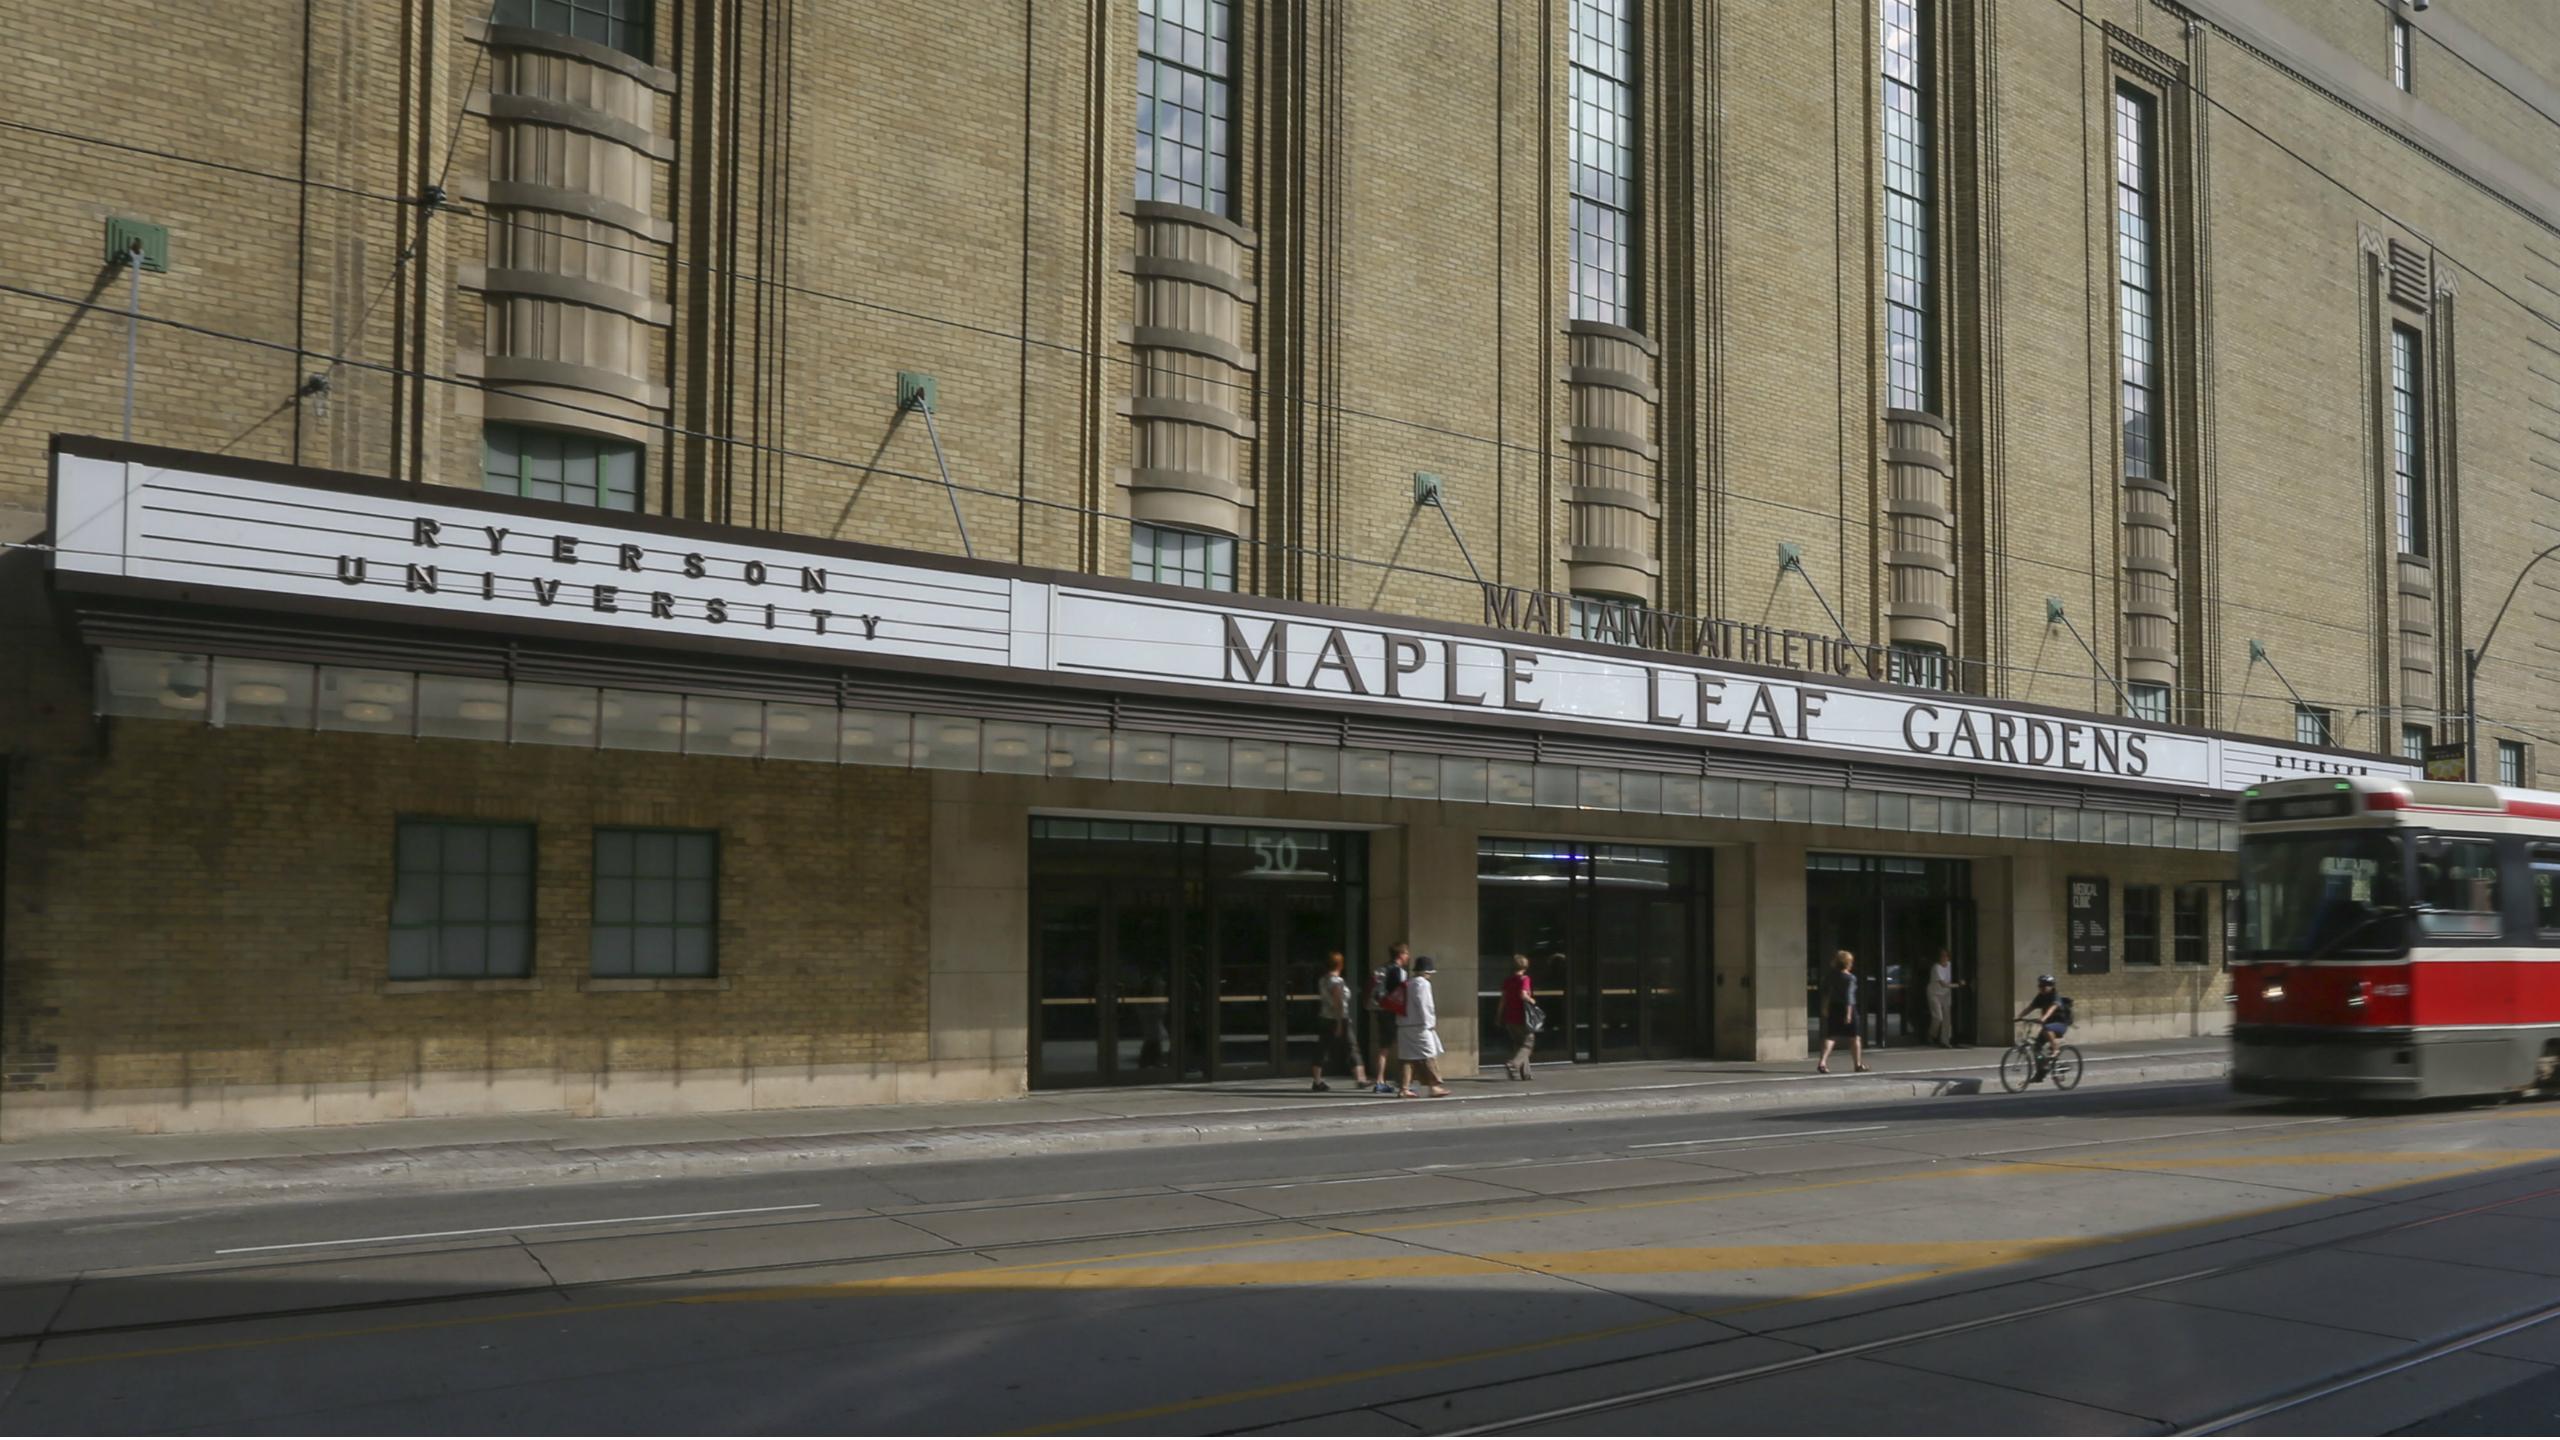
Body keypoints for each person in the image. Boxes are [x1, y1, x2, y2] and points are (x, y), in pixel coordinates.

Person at [1396, 955, 1450, 1098]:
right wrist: (1430, 1023)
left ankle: (1404, 1088)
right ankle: (1434, 1086)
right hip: (1419, 1026)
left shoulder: (1407, 983)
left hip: (1403, 1025)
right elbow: (1425, 1005)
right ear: (1428, 971)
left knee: (1407, 1058)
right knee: (1428, 1055)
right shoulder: (1423, 984)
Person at [1312, 951, 1365, 1092]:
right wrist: (1340, 1023)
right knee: (1352, 1047)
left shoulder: (1322, 980)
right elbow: (1338, 1003)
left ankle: (1317, 1081)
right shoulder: (1337, 981)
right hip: (1339, 1018)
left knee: (1322, 1048)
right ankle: (1360, 1078)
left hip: (1324, 1017)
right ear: (1340, 965)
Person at [1365, 942, 1411, 1096]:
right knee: (1403, 1046)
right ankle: (1402, 1082)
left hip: (1380, 1010)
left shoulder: (1381, 969)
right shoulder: (1400, 972)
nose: (1408, 956)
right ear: (1400, 955)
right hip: (1393, 1012)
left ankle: (1380, 1081)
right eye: (1406, 953)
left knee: (1384, 1047)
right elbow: (1401, 994)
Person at [1817, 949, 1867, 1074]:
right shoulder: (1850, 978)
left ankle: (1822, 1062)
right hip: (1847, 1008)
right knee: (1855, 1037)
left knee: (1831, 1036)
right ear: (1848, 963)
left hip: (1833, 1007)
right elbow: (1848, 996)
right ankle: (1857, 1064)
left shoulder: (1831, 976)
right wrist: (1848, 1014)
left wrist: (1825, 1007)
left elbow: (1825, 992)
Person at [2018, 975, 2073, 1075]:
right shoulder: (2040, 996)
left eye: (2045, 985)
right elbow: (2030, 1007)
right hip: (2048, 1026)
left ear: (2051, 986)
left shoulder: (2055, 996)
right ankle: (2041, 1072)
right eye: (2040, 985)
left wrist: (2043, 1018)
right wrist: (2019, 1016)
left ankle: (2055, 1050)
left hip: (2060, 1024)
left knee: (2047, 1028)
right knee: (2036, 1047)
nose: (2042, 988)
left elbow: (2052, 1008)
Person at [1498, 953, 1537, 1080]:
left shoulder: (1508, 981)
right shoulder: (1525, 979)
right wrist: (1532, 1000)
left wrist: (1499, 1015)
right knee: (1528, 1044)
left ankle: (1525, 1074)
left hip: (1510, 1017)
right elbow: (1523, 994)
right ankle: (1513, 1064)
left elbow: (1503, 1000)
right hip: (1522, 1018)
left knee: (1518, 1044)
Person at [1926, 949, 1963, 1048]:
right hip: (1934, 994)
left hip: (1946, 994)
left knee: (1948, 1018)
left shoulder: (1950, 965)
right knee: (1938, 1017)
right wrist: (1958, 985)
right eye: (1942, 956)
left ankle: (1945, 1040)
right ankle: (1931, 1035)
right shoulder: (1936, 967)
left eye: (1946, 956)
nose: (1944, 958)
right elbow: (1943, 984)